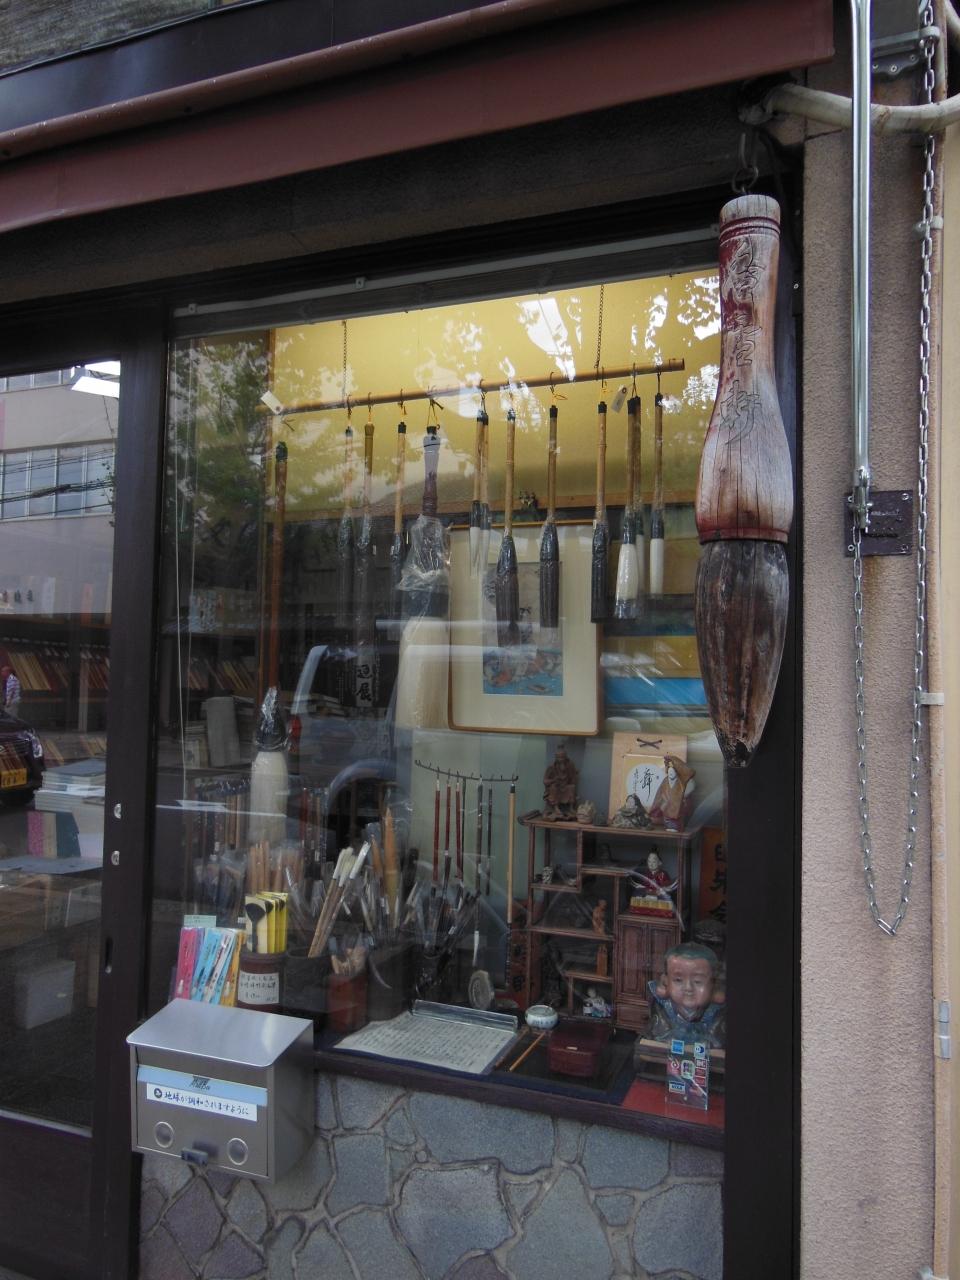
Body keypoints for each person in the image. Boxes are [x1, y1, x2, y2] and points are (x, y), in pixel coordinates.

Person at [647, 942, 725, 1048]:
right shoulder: (663, 1005)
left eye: (698, 981)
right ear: (666, 981)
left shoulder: (717, 1010)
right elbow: (659, 1032)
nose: (688, 988)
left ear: (713, 984)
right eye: (678, 980)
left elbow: (717, 1040)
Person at [646, 754, 696, 831]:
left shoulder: (682, 781)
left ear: (677, 772)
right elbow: (659, 794)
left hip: (677, 810)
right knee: (666, 821)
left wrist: (674, 759)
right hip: (666, 809)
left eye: (673, 772)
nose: (671, 774)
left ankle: (675, 827)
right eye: (669, 772)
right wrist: (657, 807)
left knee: (676, 822)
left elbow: (690, 773)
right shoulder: (665, 781)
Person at [541, 742, 578, 820]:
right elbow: (545, 781)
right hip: (556, 787)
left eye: (563, 757)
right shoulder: (551, 767)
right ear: (556, 758)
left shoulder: (570, 765)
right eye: (559, 758)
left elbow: (573, 778)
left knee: (572, 787)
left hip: (565, 786)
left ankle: (571, 808)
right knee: (553, 788)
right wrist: (553, 780)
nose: (561, 759)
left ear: (566, 757)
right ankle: (556, 808)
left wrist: (573, 777)